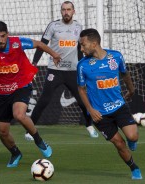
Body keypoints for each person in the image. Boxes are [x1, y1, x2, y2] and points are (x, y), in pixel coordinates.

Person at [0, 21, 61, 168]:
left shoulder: (17, 43)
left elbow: (39, 44)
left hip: (21, 84)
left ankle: (39, 140)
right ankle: (15, 153)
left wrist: (54, 54)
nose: (0, 40)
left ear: (7, 34)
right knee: (2, 131)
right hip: (1, 92)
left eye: (3, 36)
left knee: (19, 115)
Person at [24, 1, 98, 141]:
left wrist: (83, 66)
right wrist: (34, 64)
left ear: (73, 11)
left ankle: (89, 126)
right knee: (44, 100)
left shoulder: (78, 27)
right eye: (63, 10)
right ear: (61, 11)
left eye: (68, 9)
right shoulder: (53, 26)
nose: (66, 12)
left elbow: (80, 50)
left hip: (73, 71)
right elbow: (41, 45)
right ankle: (30, 129)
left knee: (83, 101)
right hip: (55, 70)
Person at [77, 28, 142, 180]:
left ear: (94, 44)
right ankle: (134, 168)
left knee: (132, 136)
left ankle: (132, 141)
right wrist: (90, 110)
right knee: (119, 143)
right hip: (99, 114)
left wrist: (131, 90)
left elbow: (125, 74)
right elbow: (81, 90)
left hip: (119, 106)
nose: (81, 48)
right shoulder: (83, 65)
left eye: (83, 45)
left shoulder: (116, 56)